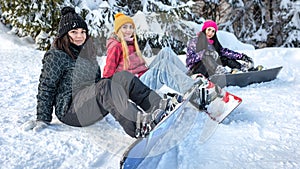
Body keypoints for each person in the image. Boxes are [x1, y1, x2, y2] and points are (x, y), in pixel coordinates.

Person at [21, 6, 179, 138]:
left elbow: (96, 82)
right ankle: (139, 125)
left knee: (123, 76)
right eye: (74, 32)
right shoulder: (56, 55)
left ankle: (158, 107)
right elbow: (46, 86)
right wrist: (42, 117)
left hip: (90, 103)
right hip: (71, 111)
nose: (79, 36)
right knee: (105, 85)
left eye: (83, 32)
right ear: (64, 35)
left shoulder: (86, 53)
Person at [103, 12, 197, 94]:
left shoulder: (130, 43)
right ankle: (190, 88)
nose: (129, 30)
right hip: (136, 86)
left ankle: (190, 78)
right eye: (124, 27)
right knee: (163, 66)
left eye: (131, 27)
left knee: (166, 52)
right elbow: (107, 73)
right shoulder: (116, 46)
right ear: (118, 30)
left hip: (143, 76)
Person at [186, 20, 257, 78]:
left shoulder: (213, 43)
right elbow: (189, 60)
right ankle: (221, 72)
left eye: (213, 31)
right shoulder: (194, 42)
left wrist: (242, 56)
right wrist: (204, 53)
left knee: (224, 58)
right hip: (196, 71)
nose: (210, 33)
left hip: (211, 70)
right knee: (206, 57)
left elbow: (225, 52)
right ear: (204, 29)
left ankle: (241, 68)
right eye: (209, 30)